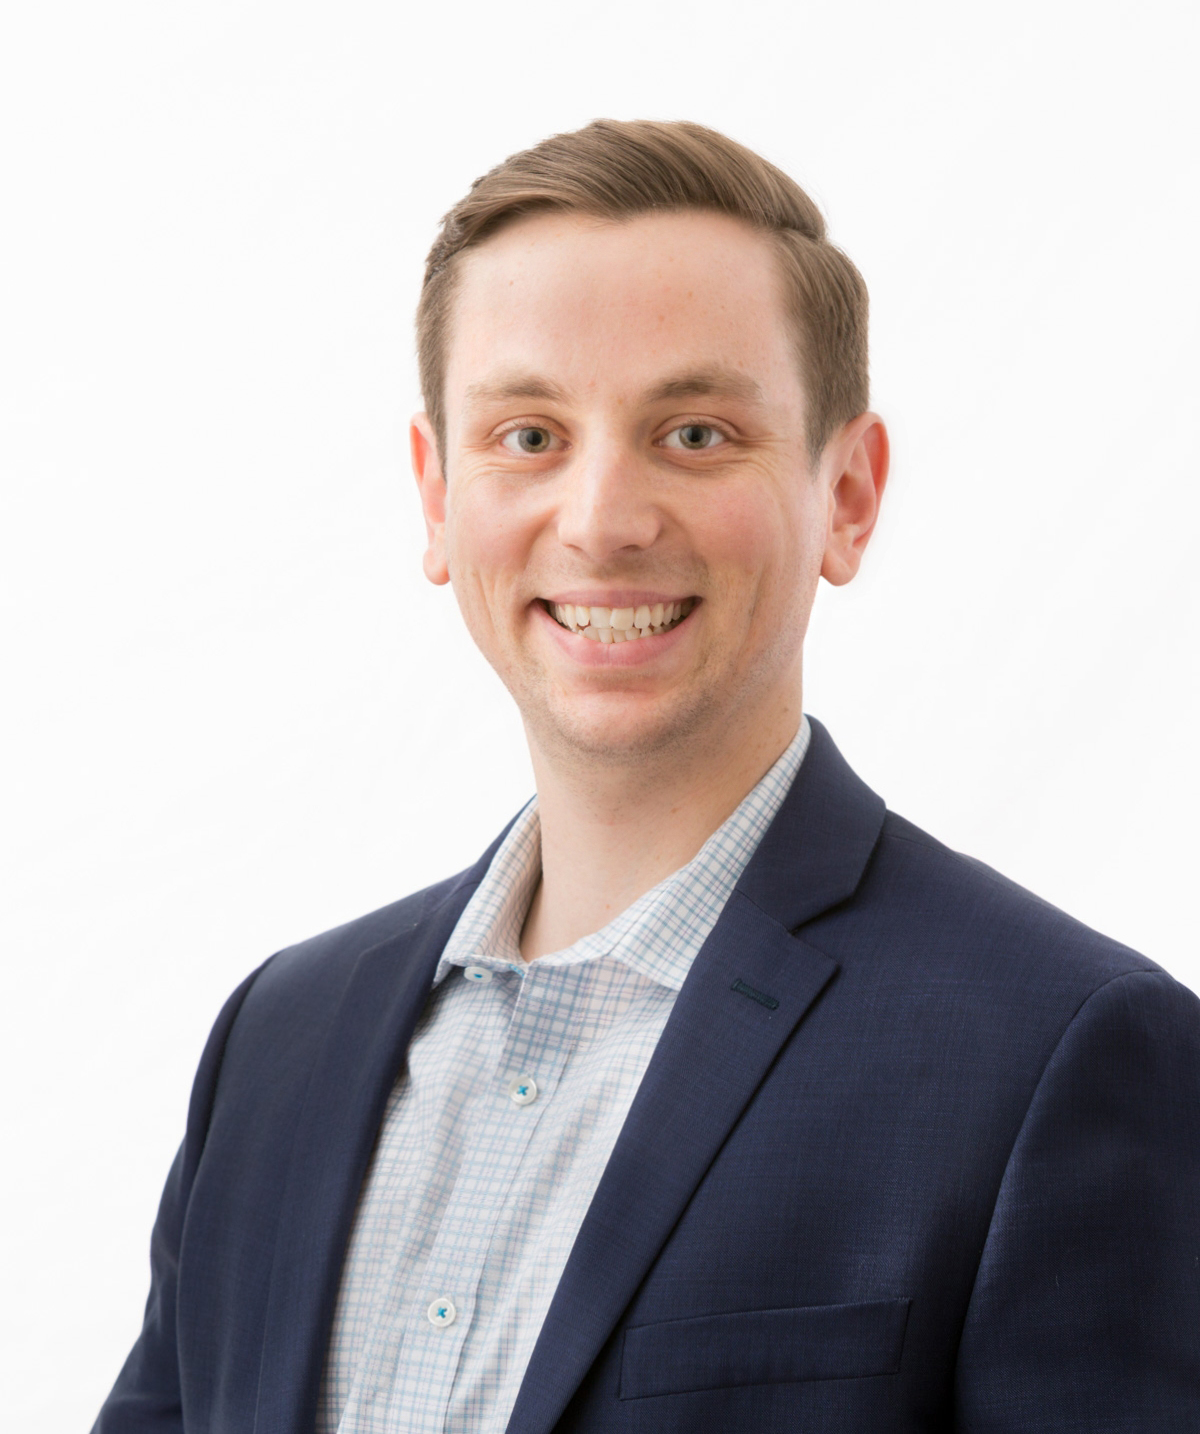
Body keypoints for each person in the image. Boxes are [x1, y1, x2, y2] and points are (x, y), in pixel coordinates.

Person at [94, 120, 1200, 1434]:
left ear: (848, 495)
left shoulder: (1063, 1052)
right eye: (528, 435)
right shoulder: (278, 1042)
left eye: (694, 431)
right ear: (437, 495)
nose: (603, 520)